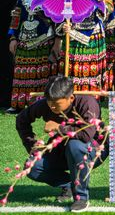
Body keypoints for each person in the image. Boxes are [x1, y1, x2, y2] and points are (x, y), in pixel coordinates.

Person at [16, 75, 108, 212]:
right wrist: (32, 145)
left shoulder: (88, 102)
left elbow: (86, 135)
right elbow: (21, 119)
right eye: (49, 102)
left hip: (93, 149)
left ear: (71, 98)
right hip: (60, 149)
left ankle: (81, 197)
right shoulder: (46, 104)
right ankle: (70, 185)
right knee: (33, 167)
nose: (52, 106)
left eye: (56, 104)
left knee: (75, 145)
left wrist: (59, 127)